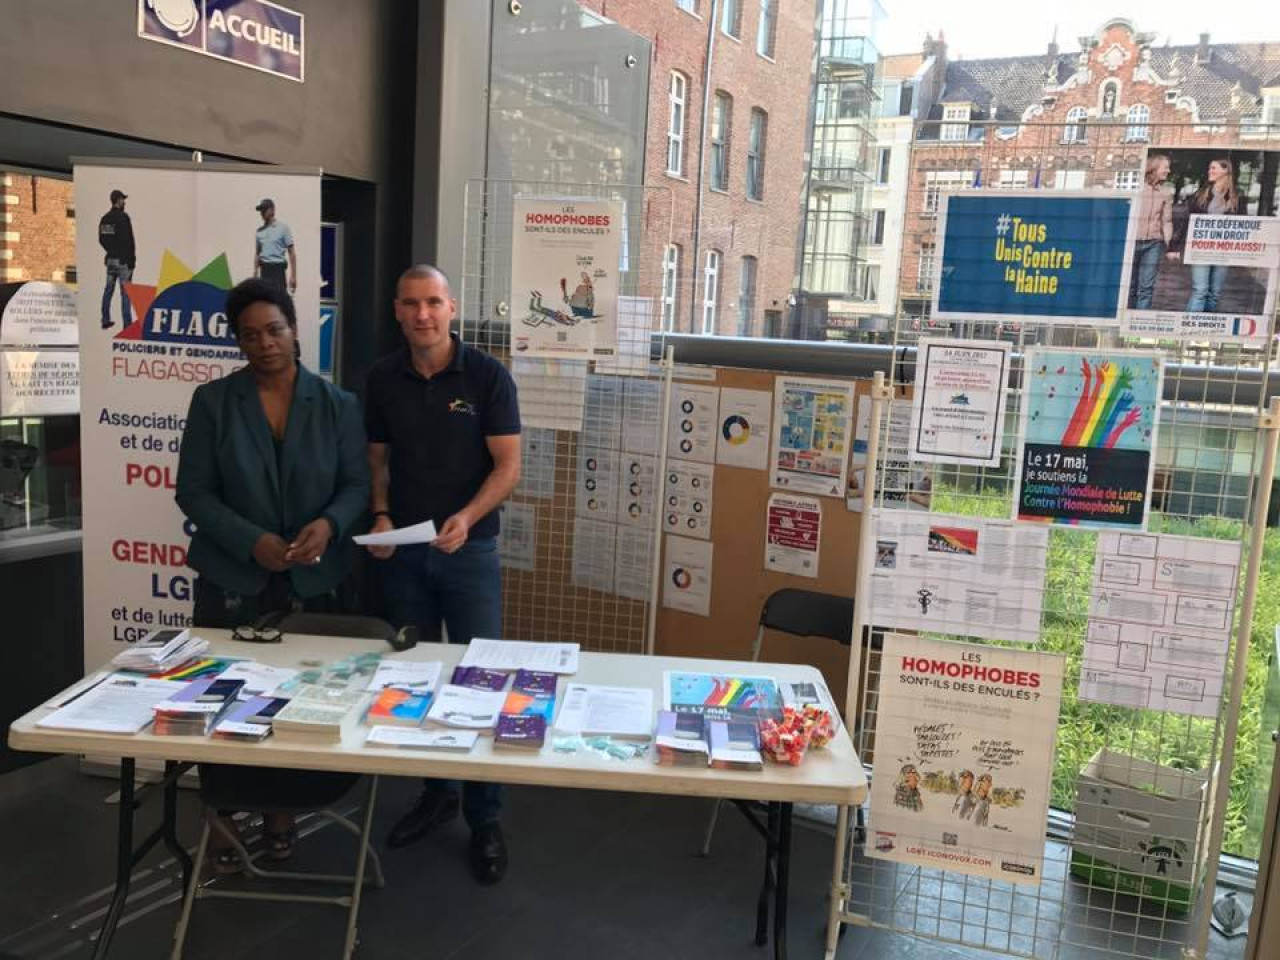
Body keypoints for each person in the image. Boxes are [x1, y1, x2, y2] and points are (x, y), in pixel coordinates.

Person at [175, 277, 369, 872]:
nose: (264, 344)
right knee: (224, 703)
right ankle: (226, 817)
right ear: (237, 341)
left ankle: (282, 817)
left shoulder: (337, 404)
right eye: (250, 335)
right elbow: (195, 493)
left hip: (313, 581)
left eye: (275, 330)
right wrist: (249, 540)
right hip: (234, 579)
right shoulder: (214, 402)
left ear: (295, 330)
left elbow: (356, 485)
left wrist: (330, 525)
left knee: (295, 704)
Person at [364, 264, 521, 884]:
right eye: (410, 304)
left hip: (471, 553)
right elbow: (376, 460)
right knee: (417, 679)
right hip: (403, 554)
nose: (422, 314)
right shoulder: (381, 378)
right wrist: (379, 516)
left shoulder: (487, 377)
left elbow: (507, 466)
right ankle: (436, 794)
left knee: (482, 680)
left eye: (433, 302)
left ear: (451, 308)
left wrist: (468, 515)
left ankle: (486, 817)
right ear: (396, 311)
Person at [1182, 158, 1245, 312]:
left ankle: (1205, 328)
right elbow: (1187, 221)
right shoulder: (1201, 193)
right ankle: (1189, 327)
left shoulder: (1237, 196)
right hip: (1201, 248)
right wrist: (1176, 246)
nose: (1210, 171)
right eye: (1210, 168)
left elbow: (1243, 224)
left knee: (1215, 293)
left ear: (1225, 171)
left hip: (1223, 249)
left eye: (1214, 168)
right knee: (1200, 290)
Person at [1129, 154, 1177, 310]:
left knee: (1146, 287)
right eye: (1165, 167)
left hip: (1153, 244)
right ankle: (1128, 317)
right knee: (1130, 286)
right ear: (1154, 167)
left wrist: (1171, 246)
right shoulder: (1136, 188)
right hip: (1131, 243)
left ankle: (1138, 321)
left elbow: (1167, 221)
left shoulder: (1166, 193)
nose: (1168, 171)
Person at [98, 189, 136, 328]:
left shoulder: (105, 218)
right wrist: (131, 261)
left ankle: (105, 320)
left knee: (108, 290)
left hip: (111, 261)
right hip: (123, 261)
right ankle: (127, 326)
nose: (124, 201)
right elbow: (129, 241)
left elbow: (102, 239)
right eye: (123, 199)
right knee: (125, 294)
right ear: (118, 200)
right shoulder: (123, 218)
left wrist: (111, 251)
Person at [253, 199, 297, 295]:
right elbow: (257, 253)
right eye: (261, 210)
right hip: (265, 270)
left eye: (264, 210)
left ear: (272, 210)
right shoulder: (259, 231)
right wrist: (255, 272)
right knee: (265, 300)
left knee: (278, 301)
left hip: (278, 270)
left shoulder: (283, 228)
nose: (262, 213)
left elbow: (291, 252)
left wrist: (293, 276)